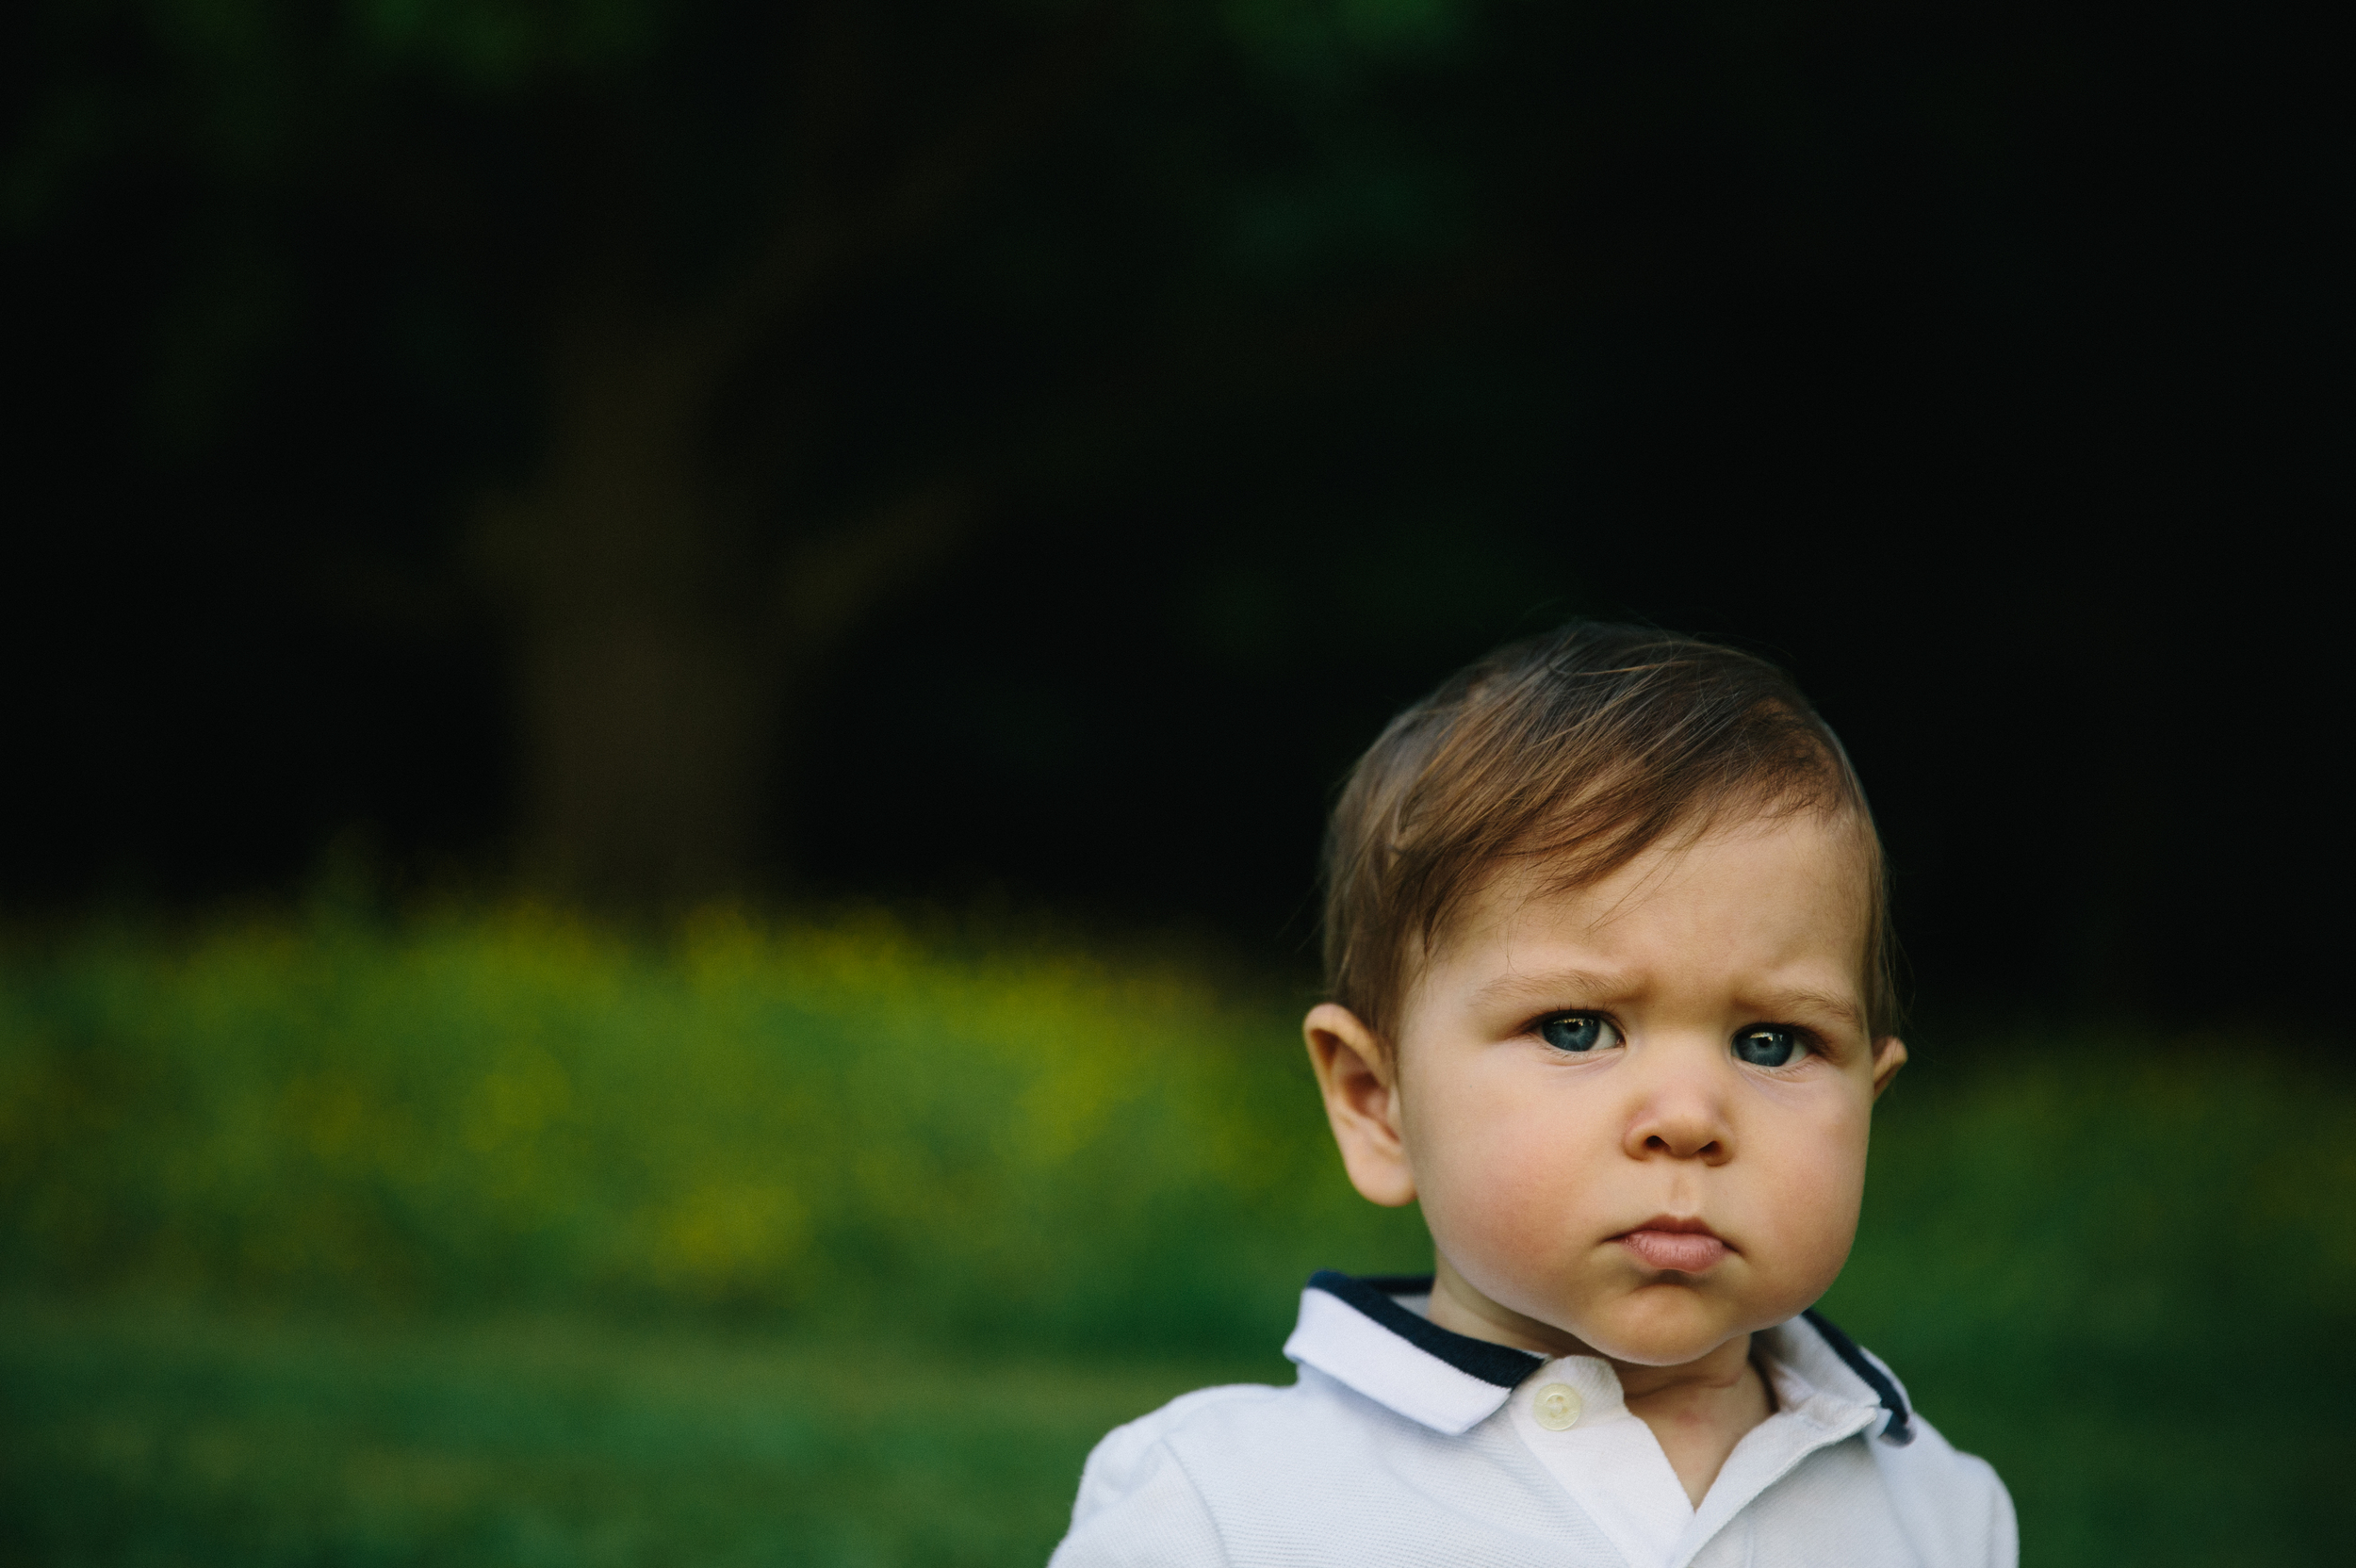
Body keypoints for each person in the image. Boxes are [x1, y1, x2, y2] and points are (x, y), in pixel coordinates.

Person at [1050, 623, 2016, 1567]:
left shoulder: (1939, 1511)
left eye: (1771, 1042)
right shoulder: (1224, 1507)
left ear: (1868, 1098)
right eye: (1575, 1027)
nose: (1686, 1116)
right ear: (1376, 1101)